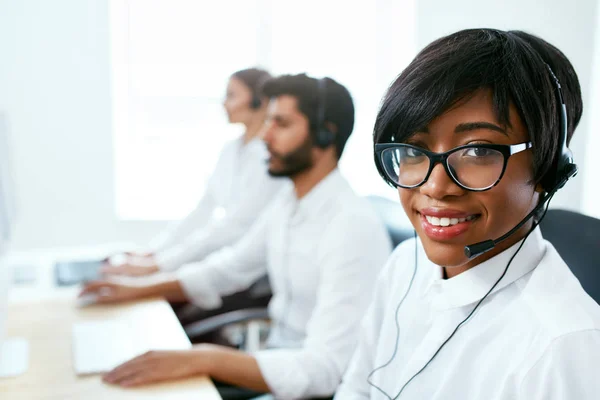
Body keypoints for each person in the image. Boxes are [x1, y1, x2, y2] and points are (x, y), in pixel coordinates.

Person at [80, 74, 393, 399]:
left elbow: (324, 371)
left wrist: (205, 359)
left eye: (281, 124)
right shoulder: (288, 203)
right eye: (267, 121)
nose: (264, 136)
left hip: (311, 389)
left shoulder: (351, 227)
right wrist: (138, 288)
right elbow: (230, 267)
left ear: (326, 134)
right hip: (277, 363)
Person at [336, 29, 600, 399]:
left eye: (478, 151)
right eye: (414, 149)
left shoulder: (564, 349)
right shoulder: (403, 265)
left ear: (548, 169)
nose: (436, 186)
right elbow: (356, 389)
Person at [103, 67, 285, 276]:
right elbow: (202, 210)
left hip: (248, 269)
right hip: (221, 257)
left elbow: (234, 226)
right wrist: (153, 254)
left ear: (259, 101)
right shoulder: (230, 150)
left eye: (231, 96)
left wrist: (161, 264)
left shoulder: (270, 158)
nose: (224, 103)